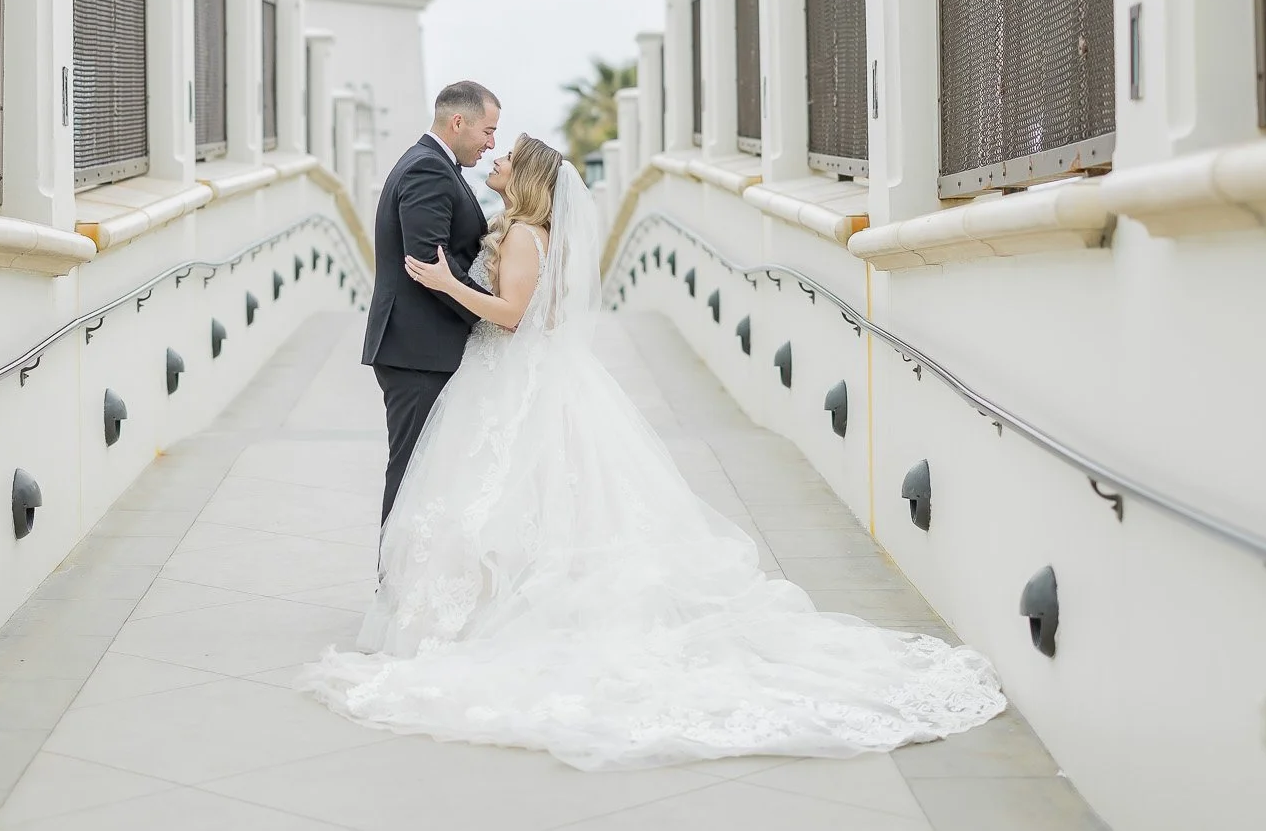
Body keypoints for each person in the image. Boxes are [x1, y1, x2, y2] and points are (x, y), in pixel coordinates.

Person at [300, 133, 1007, 771]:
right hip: (538, 380)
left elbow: (513, 317)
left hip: (515, 379)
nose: (498, 160)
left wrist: (450, 284)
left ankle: (496, 609)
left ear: (529, 177)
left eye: (508, 154)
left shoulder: (522, 238)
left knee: (510, 491)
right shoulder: (537, 232)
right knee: (544, 498)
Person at [361, 80, 501, 525]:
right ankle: (393, 585)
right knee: (410, 474)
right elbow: (427, 264)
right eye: (487, 131)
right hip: (418, 351)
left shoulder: (436, 164)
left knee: (427, 472)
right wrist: (492, 316)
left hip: (421, 347)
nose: (491, 143)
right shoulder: (428, 169)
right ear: (458, 122)